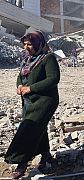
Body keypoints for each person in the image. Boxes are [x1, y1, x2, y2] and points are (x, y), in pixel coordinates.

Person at [4, 31, 60, 179]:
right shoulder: (28, 59)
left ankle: (21, 163)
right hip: (28, 101)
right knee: (38, 127)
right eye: (25, 44)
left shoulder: (48, 58)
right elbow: (21, 76)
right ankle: (46, 155)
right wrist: (19, 86)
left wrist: (31, 88)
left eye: (30, 44)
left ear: (39, 43)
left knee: (28, 129)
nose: (26, 47)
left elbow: (53, 79)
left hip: (45, 100)